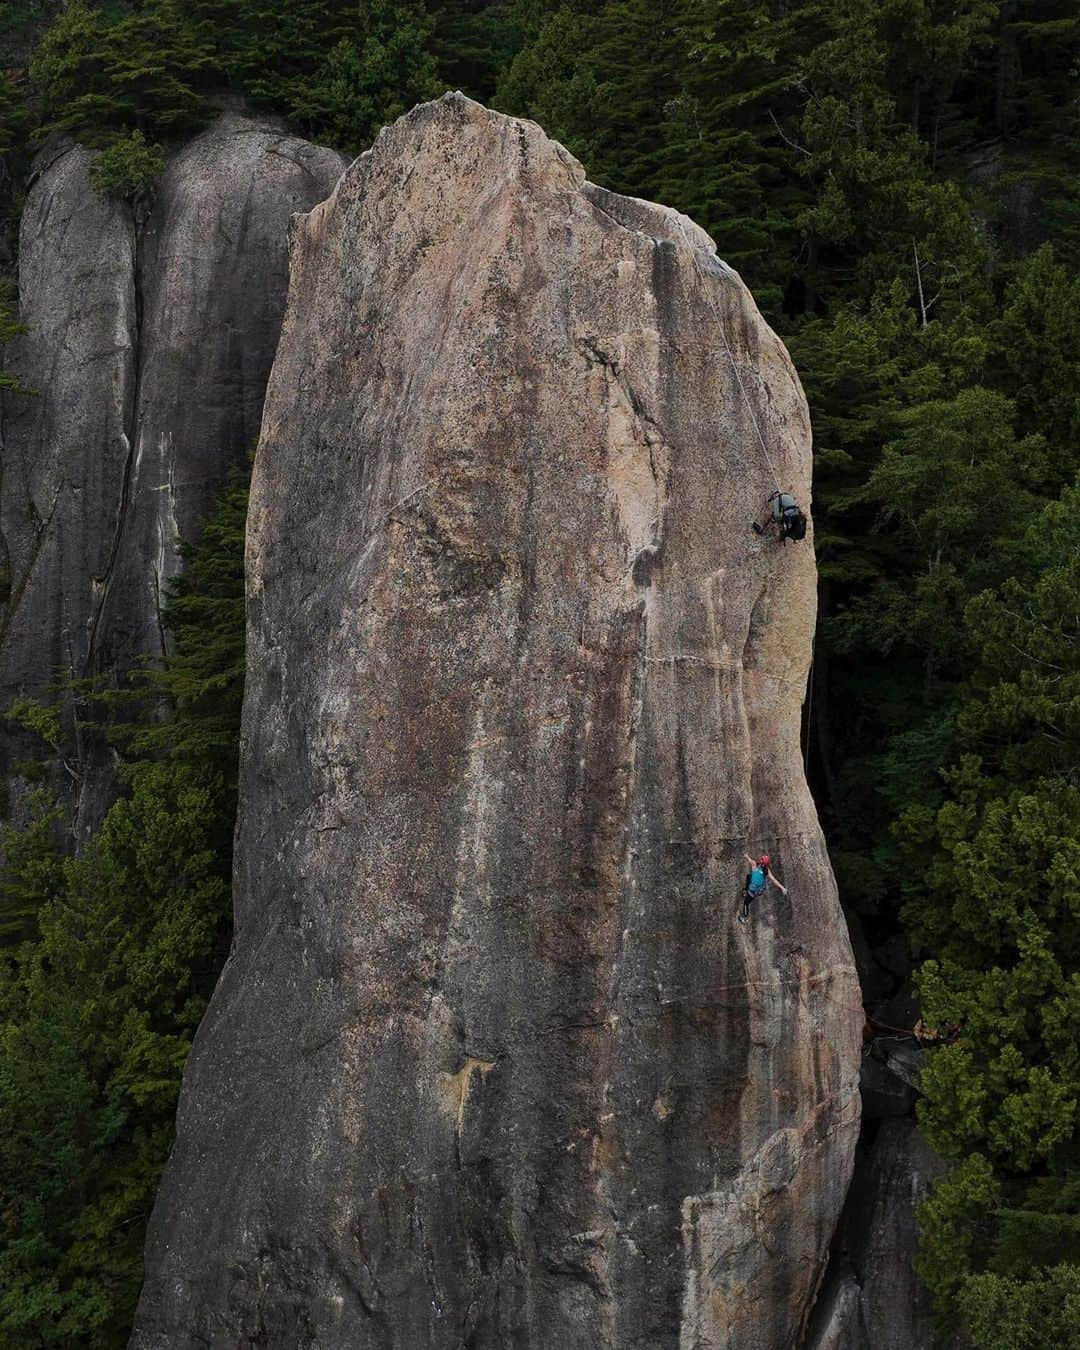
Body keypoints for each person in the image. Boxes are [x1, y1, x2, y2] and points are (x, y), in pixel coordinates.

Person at [738, 852, 788, 923]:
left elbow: (749, 860)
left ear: (761, 861)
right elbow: (774, 880)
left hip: (753, 890)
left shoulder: (754, 864)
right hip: (759, 890)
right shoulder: (766, 870)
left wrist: (746, 856)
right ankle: (746, 891)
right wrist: (782, 888)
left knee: (746, 903)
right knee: (749, 876)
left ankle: (745, 918)